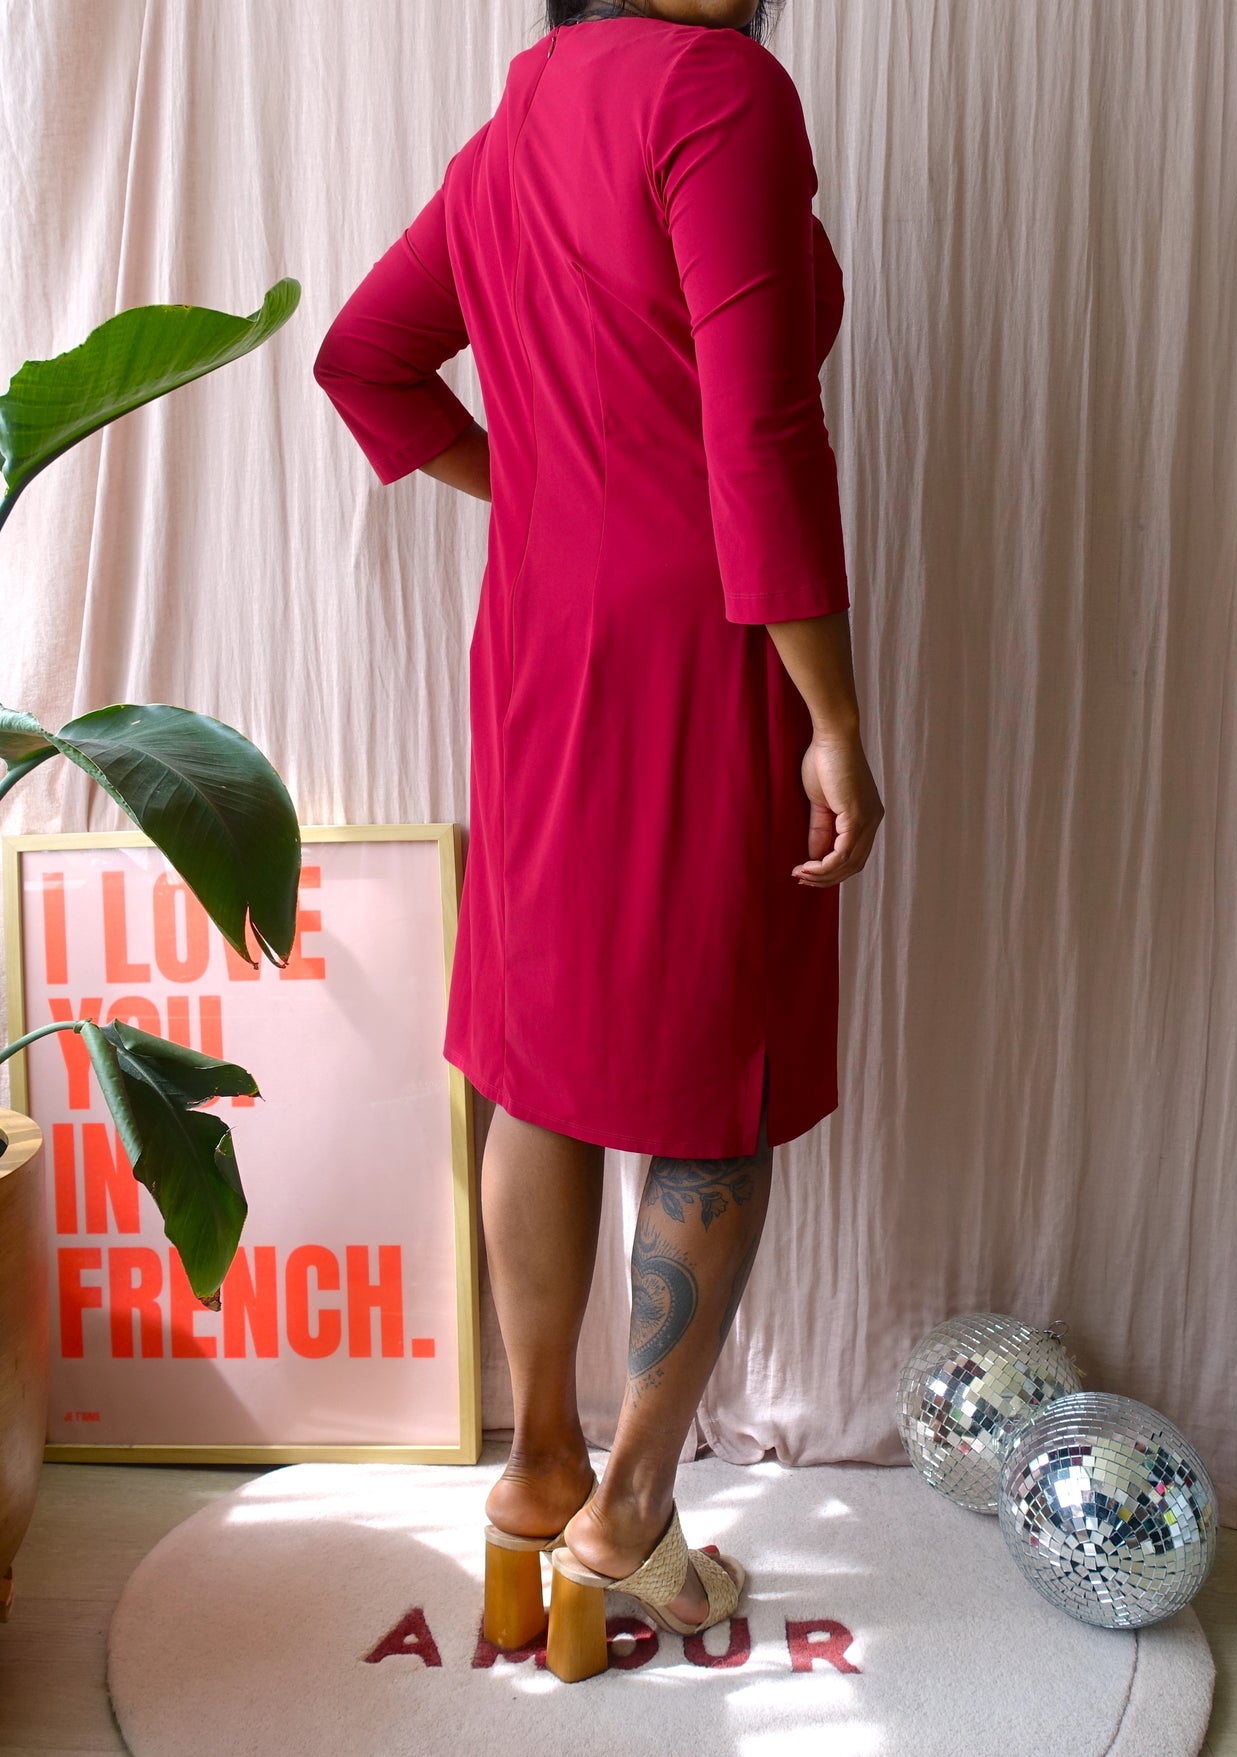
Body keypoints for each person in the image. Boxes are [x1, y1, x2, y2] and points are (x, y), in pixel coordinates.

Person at [313, 0, 882, 1681]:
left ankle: (539, 1469)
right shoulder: (718, 89)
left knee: (542, 1054)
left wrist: (544, 486)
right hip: (700, 642)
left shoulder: (516, 128)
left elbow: (364, 354)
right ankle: (629, 1512)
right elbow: (759, 431)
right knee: (717, 1063)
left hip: (540, 633)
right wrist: (834, 715)